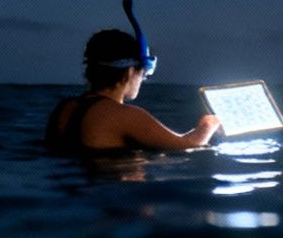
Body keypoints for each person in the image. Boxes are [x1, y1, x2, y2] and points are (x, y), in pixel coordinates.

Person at [45, 28, 220, 155]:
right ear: (129, 72)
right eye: (143, 73)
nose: (143, 79)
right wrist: (209, 124)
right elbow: (187, 145)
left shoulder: (64, 108)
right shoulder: (125, 115)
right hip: (111, 195)